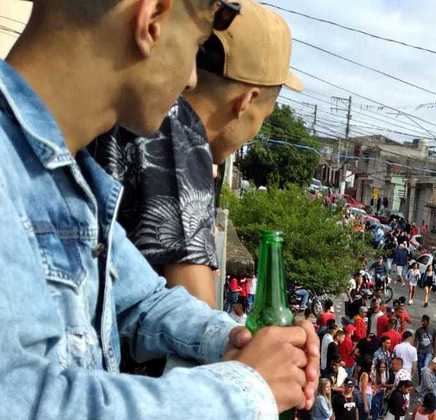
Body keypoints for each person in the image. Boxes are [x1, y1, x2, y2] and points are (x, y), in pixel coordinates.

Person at [0, 0, 325, 417]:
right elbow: (25, 402)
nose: (192, 80)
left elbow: (142, 300)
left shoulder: (69, 173)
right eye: (197, 41)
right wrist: (248, 388)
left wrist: (238, 340)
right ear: (151, 18)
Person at [90, 0, 301, 309]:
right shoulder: (178, 136)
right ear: (246, 101)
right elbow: (197, 311)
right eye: (264, 117)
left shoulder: (138, 111)